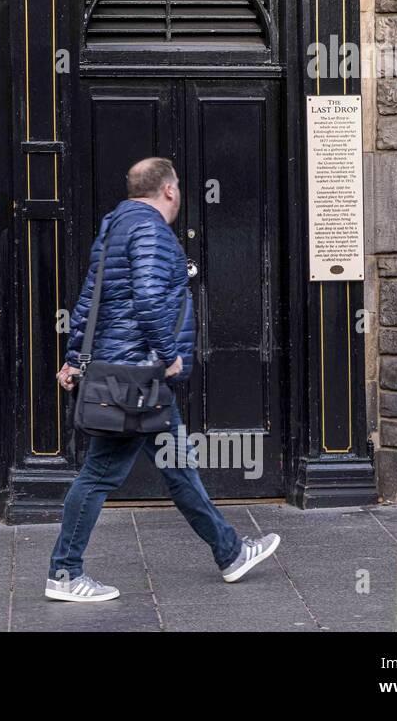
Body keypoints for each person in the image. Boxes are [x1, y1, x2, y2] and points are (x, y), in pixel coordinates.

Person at [46, 157, 280, 602]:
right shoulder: (151, 231)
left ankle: (230, 552)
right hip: (136, 376)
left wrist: (75, 356)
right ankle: (64, 572)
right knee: (99, 473)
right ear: (169, 190)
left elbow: (88, 300)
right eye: (178, 191)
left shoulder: (113, 228)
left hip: (128, 371)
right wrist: (169, 354)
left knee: (177, 464)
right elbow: (150, 299)